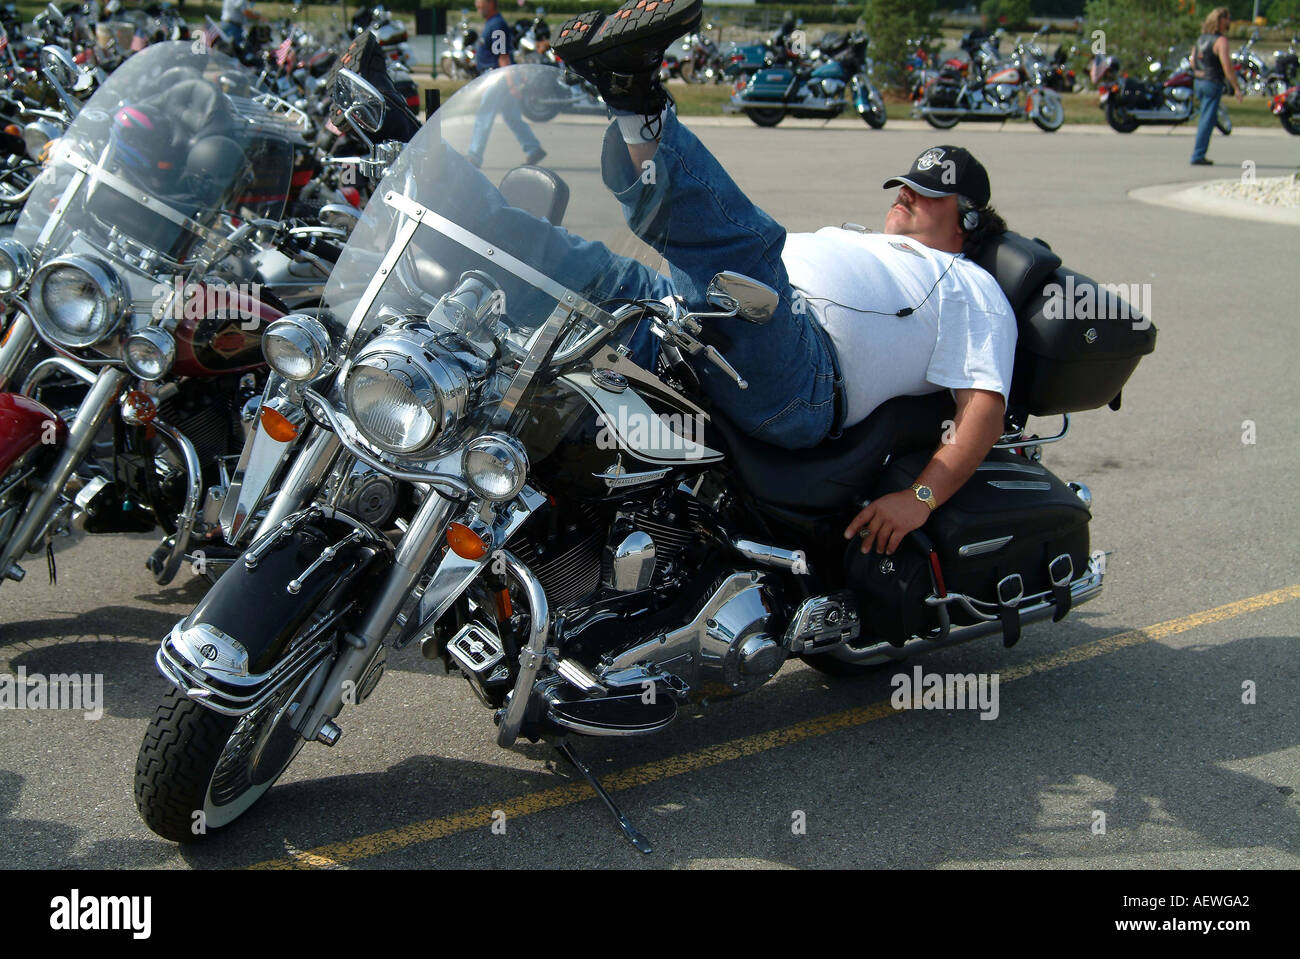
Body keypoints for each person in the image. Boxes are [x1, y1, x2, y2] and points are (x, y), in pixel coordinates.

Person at [540, 0, 1017, 556]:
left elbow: (983, 407)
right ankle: (428, 178)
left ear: (970, 221)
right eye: (906, 183)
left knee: (740, 249)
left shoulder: (970, 284)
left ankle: (632, 96)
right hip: (700, 318)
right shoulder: (868, 239)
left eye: (930, 191)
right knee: (570, 266)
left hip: (800, 382)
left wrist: (921, 496)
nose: (905, 192)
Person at [467, 0, 546, 168]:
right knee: (512, 117)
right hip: (499, 77)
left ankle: (474, 156)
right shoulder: (493, 23)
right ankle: (533, 149)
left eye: (480, 1)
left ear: (490, 2)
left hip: (498, 79)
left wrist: (511, 84)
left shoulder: (496, 25)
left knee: (484, 114)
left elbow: (503, 57)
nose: (477, 5)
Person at [1190, 6, 1242, 166]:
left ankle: (1199, 152)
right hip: (1212, 82)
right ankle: (1198, 155)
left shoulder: (1201, 39)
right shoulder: (1221, 41)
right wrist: (1236, 87)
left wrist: (1198, 72)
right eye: (1227, 19)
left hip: (1199, 82)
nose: (1230, 22)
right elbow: (1227, 66)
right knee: (1207, 119)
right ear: (1220, 20)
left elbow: (1192, 60)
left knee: (1206, 117)